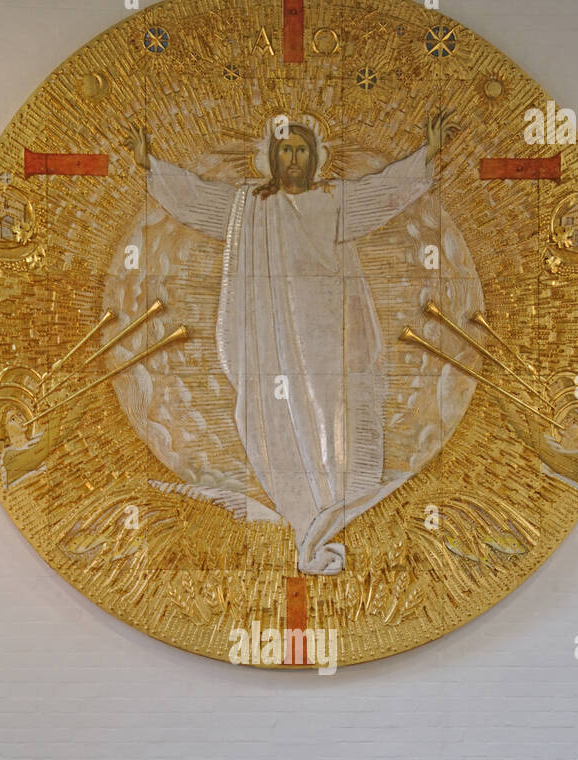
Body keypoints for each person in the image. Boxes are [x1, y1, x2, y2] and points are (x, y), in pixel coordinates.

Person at [128, 113, 461, 574]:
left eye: (302, 150)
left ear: (315, 158)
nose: (294, 159)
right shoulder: (250, 208)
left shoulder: (332, 201)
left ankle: (337, 509)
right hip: (275, 338)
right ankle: (306, 519)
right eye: (285, 150)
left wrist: (426, 155)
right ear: (272, 157)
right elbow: (198, 199)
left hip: (330, 336)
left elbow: (382, 193)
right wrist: (153, 167)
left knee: (337, 415)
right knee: (277, 416)